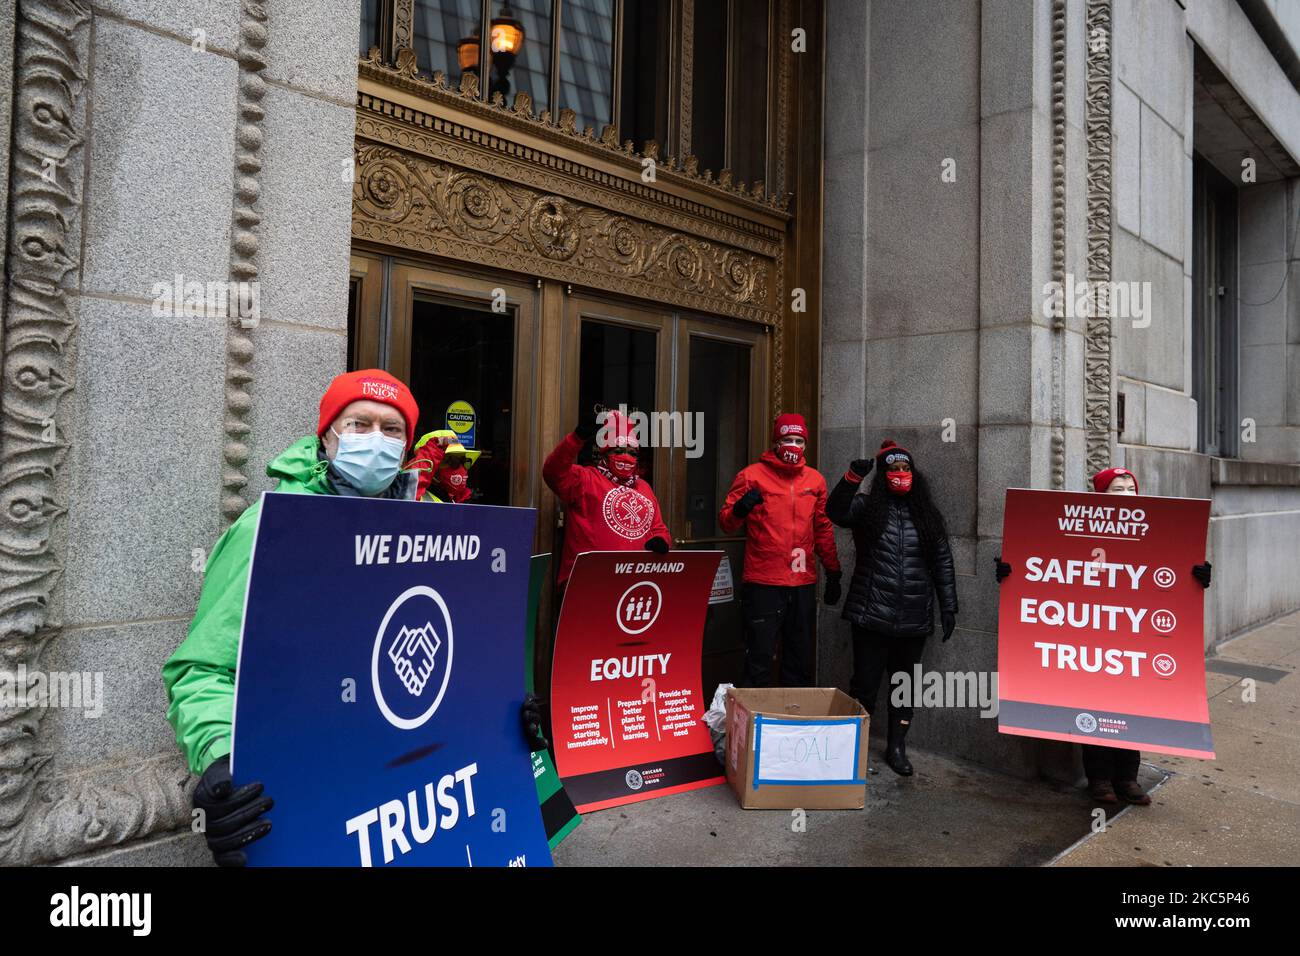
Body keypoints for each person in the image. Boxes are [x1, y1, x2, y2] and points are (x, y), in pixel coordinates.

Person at [163, 370, 545, 866]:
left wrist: (504, 710)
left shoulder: (437, 523)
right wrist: (222, 759)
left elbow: (461, 647)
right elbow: (203, 669)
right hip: (316, 778)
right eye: (359, 423)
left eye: (392, 429)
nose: (376, 439)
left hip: (413, 792)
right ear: (327, 435)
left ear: (408, 445)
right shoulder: (272, 526)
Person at [996, 465, 1212, 806]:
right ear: (1101, 497)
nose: (1126, 495)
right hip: (1094, 634)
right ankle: (1099, 780)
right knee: (1095, 703)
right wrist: (1013, 572)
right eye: (1117, 489)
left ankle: (1128, 778)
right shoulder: (1080, 534)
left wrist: (1197, 577)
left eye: (1130, 488)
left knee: (1130, 703)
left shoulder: (1153, 533)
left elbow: (1167, 571)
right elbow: (1050, 567)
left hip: (1134, 634)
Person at [826, 440, 958, 776]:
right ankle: (853, 749)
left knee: (904, 688)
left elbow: (942, 561)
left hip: (914, 617)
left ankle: (897, 748)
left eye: (905, 469)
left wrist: (948, 606)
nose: (900, 475)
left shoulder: (927, 515)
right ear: (883, 476)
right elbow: (836, 512)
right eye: (893, 470)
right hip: (871, 614)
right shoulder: (867, 508)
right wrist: (852, 478)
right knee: (864, 686)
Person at [718, 413, 842, 688]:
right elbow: (726, 522)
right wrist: (740, 508)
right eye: (787, 439)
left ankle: (792, 723)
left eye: (799, 440)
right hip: (764, 581)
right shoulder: (751, 476)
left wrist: (833, 570)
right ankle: (755, 724)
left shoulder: (815, 480)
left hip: (802, 582)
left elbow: (822, 527)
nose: (793, 445)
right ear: (776, 442)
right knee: (759, 656)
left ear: (806, 445)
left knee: (798, 658)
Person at [543, 407, 671, 590]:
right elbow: (553, 472)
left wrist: (661, 541)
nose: (626, 457)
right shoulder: (585, 478)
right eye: (618, 450)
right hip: (589, 583)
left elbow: (658, 528)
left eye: (632, 453)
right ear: (604, 454)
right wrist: (576, 439)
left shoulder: (644, 488)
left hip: (634, 582)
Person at [407, 428, 482, 502]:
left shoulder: (452, 499)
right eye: (452, 461)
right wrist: (435, 445)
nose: (460, 468)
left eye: (463, 461)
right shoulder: (416, 495)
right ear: (432, 464)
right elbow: (412, 490)